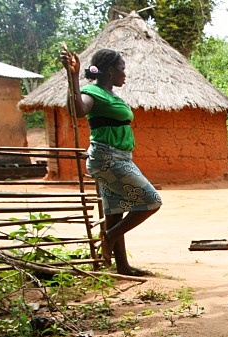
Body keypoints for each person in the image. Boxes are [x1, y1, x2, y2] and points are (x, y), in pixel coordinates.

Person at [59, 46, 161, 276]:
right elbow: (77, 110)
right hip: (107, 158)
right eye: (122, 68)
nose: (125, 74)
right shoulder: (91, 93)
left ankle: (122, 266)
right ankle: (109, 236)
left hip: (120, 156)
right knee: (152, 200)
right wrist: (72, 76)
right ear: (109, 71)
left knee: (116, 211)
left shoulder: (111, 95)